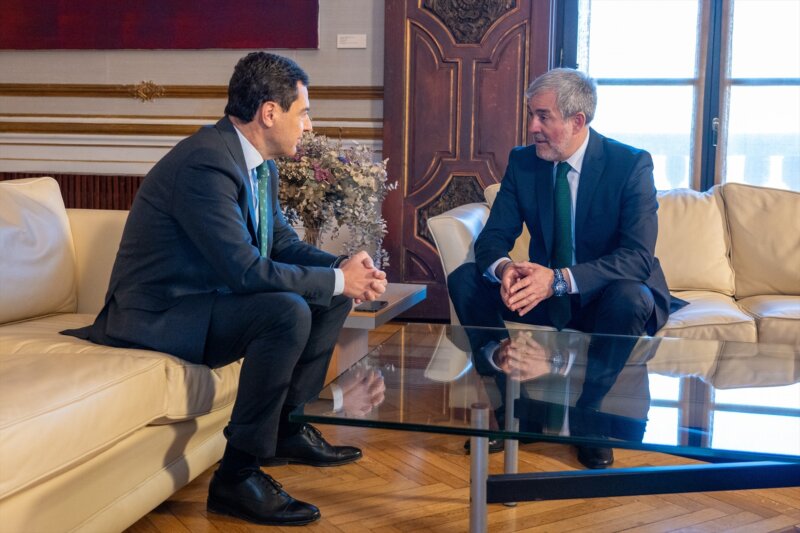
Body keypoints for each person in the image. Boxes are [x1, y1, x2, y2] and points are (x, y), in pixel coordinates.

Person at [63, 52, 387, 526]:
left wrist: (341, 270)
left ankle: (285, 429)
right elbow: (245, 271)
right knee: (286, 311)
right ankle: (236, 477)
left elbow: (280, 242)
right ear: (269, 113)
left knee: (329, 293)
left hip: (205, 302)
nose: (309, 126)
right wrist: (339, 278)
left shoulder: (258, 164)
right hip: (157, 314)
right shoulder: (205, 164)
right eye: (304, 113)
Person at [448, 68, 685, 468]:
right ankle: (514, 410)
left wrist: (558, 280)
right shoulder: (524, 162)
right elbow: (492, 238)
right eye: (531, 115)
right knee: (465, 279)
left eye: (543, 116)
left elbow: (638, 257)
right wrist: (504, 269)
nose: (532, 127)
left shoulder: (629, 164)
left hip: (603, 296)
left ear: (577, 121)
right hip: (544, 295)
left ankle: (588, 418)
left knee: (631, 296)